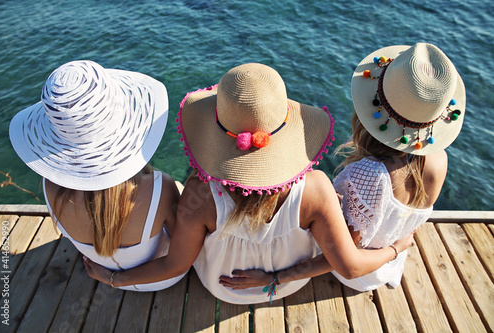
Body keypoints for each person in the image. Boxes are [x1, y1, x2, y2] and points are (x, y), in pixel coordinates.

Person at [83, 63, 414, 304]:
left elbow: (175, 265)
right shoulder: (316, 189)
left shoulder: (201, 193)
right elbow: (352, 267)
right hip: (285, 285)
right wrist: (397, 247)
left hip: (221, 287)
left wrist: (115, 277)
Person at [218, 43, 466, 292]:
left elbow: (345, 263)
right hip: (386, 266)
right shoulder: (438, 159)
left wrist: (275, 278)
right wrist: (397, 247)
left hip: (358, 272)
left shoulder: (370, 175)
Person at [9, 60, 186, 291]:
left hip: (104, 271)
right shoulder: (160, 188)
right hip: (159, 277)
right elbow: (180, 261)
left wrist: (111, 278)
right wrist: (117, 280)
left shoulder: (49, 186)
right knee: (181, 190)